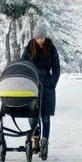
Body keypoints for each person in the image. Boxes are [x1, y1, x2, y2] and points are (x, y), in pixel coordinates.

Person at [21, 22, 60, 154]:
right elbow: (23, 64)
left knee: (45, 116)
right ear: (34, 38)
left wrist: (53, 82)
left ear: (45, 37)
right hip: (32, 84)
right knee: (32, 115)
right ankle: (35, 139)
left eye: (42, 38)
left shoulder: (51, 48)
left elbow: (56, 67)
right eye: (37, 38)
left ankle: (45, 140)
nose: (39, 40)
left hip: (47, 85)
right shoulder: (29, 47)